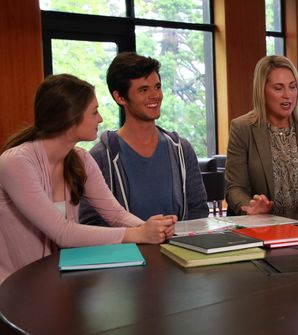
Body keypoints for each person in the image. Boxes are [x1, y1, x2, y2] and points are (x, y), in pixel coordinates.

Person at [0, 74, 176, 282]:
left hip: (56, 283)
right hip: (13, 289)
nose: (100, 119)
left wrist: (151, 228)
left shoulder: (81, 159)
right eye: (94, 112)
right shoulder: (16, 162)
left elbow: (116, 215)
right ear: (70, 117)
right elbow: (62, 232)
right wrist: (138, 234)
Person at [79, 52, 208, 225]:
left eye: (157, 86)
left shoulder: (181, 149)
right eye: (143, 90)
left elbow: (198, 210)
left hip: (179, 248)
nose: (155, 95)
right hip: (126, 251)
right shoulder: (101, 156)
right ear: (120, 97)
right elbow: (91, 221)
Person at [225, 55, 298, 219]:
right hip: (266, 227)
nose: (288, 95)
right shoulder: (242, 128)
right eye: (278, 88)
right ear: (261, 90)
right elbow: (235, 188)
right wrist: (250, 207)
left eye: (292, 87)